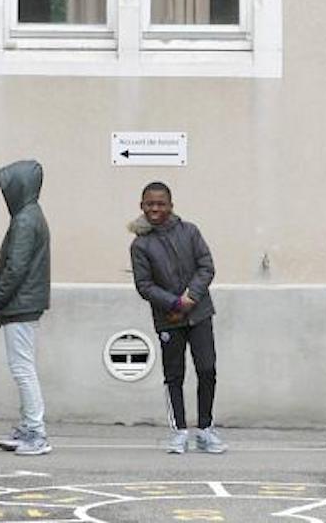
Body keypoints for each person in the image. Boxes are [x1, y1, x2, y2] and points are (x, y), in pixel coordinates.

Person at [129, 181, 224, 454]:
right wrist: (174, 303)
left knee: (207, 369)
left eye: (160, 203)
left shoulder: (190, 232)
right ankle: (179, 431)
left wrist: (192, 297)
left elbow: (206, 265)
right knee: (174, 375)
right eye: (150, 204)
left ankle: (205, 429)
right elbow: (144, 285)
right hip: (168, 319)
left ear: (171, 205)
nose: (155, 209)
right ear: (142, 206)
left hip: (200, 313)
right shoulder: (140, 245)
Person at [0, 160, 52, 456]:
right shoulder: (29, 215)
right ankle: (29, 427)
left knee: (23, 369)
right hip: (25, 303)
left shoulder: (26, 219)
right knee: (23, 367)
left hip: (20, 304)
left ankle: (36, 433)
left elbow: (16, 267)